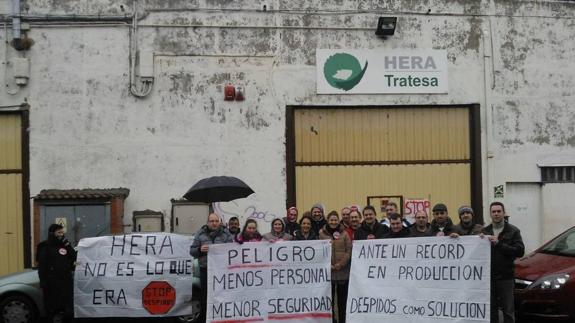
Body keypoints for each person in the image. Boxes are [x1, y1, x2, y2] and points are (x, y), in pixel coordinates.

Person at [481, 202, 525, 323]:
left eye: (499, 211)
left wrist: (499, 244)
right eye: (493, 211)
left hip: (506, 277)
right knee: (491, 311)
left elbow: (520, 251)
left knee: (508, 311)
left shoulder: (513, 231)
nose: (496, 214)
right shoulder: (485, 231)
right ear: (490, 214)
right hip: (489, 278)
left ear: (504, 213)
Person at [190, 213, 234, 322]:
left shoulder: (226, 234)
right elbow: (192, 251)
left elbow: (231, 251)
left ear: (219, 222)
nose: (214, 223)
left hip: (221, 271)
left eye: (216, 221)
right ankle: (206, 318)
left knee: (222, 295)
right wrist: (200, 250)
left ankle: (221, 318)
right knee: (205, 296)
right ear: (207, 222)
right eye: (211, 221)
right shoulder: (200, 233)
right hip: (206, 270)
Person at [37, 223, 77, 323]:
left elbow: (74, 257)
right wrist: (43, 281)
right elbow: (42, 266)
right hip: (52, 282)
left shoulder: (64, 245)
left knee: (66, 308)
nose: (61, 235)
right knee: (52, 307)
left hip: (65, 281)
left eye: (62, 233)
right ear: (52, 233)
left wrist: (68, 245)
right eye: (59, 232)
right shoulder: (44, 246)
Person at [318, 211, 351, 323]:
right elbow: (319, 252)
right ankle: (331, 320)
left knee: (342, 301)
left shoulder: (344, 234)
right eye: (331, 220)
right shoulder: (321, 233)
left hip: (342, 272)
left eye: (335, 220)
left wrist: (340, 264)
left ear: (338, 221)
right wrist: (328, 265)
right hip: (328, 273)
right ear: (328, 220)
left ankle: (343, 320)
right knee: (329, 301)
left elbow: (348, 251)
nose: (333, 222)